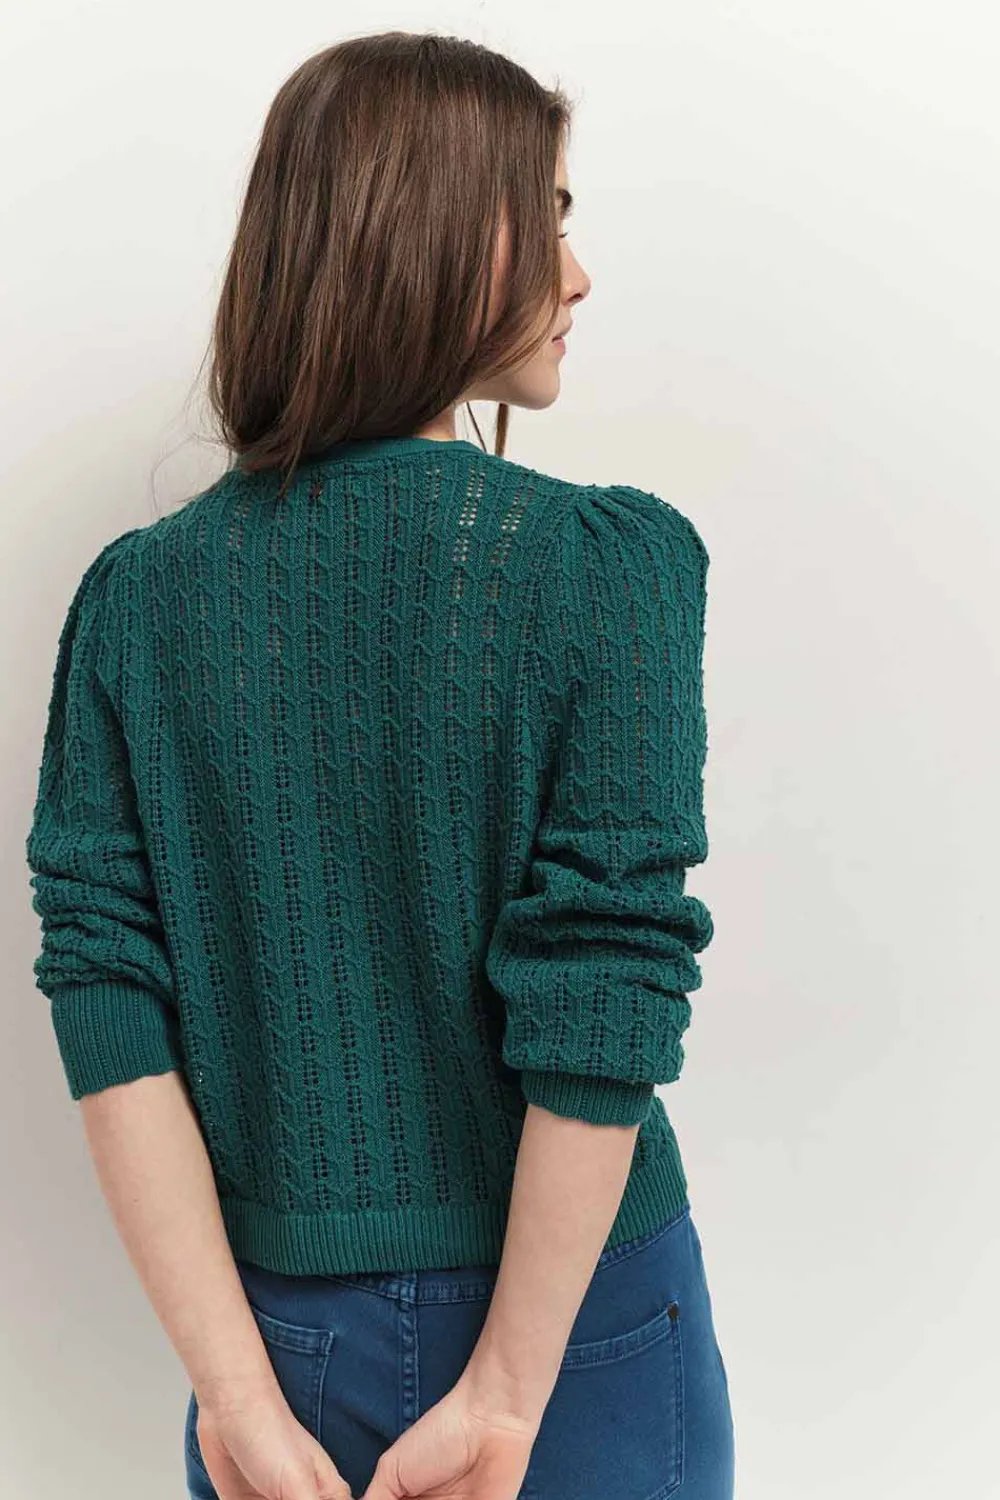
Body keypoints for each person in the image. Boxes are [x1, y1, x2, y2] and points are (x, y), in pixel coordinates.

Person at [24, 28, 735, 1500]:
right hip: (579, 1326)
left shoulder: (139, 601)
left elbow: (108, 997)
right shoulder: (603, 567)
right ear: (439, 232)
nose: (581, 275)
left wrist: (234, 1393)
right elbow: (605, 992)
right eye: (548, 218)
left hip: (278, 1347)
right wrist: (510, 1395)